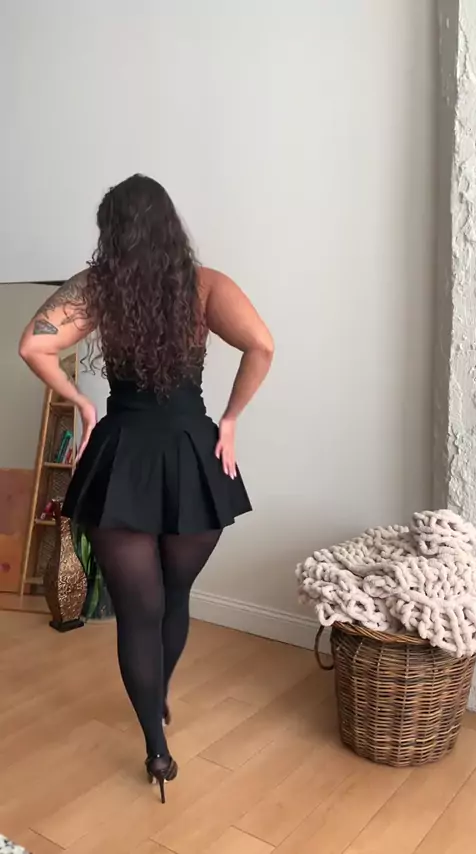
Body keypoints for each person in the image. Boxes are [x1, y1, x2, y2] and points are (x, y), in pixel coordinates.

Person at [19, 174, 274, 803]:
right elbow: (262, 346)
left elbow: (32, 346)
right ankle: (158, 697)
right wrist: (231, 421)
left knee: (138, 612)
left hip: (121, 458)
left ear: (111, 232)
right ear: (169, 226)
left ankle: (156, 749)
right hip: (193, 457)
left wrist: (83, 404)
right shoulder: (206, 285)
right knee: (174, 596)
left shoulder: (98, 289)